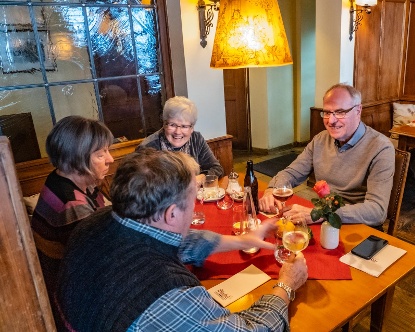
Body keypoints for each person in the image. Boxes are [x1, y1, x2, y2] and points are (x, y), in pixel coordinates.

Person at [56, 148, 308, 331]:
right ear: (172, 213)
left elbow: (175, 241)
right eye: (192, 199)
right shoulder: (167, 294)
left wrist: (243, 241)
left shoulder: (95, 222)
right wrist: (286, 286)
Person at [259, 83, 395, 228]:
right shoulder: (320, 139)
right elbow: (292, 173)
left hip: (357, 226)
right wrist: (272, 189)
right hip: (324, 221)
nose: (331, 121)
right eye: (327, 113)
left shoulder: (381, 147)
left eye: (340, 112)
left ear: (358, 111)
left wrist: (321, 213)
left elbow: (377, 211)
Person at [30, 116, 114, 320]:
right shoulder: (72, 204)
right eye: (101, 154)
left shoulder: (60, 178)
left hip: (73, 281)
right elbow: (104, 262)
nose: (111, 159)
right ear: (76, 158)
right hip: (78, 299)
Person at [137, 96, 223, 185]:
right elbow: (141, 186)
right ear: (164, 123)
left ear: (192, 128)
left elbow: (217, 169)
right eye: (172, 125)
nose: (178, 132)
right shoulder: (148, 147)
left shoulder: (196, 139)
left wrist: (203, 177)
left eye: (184, 126)